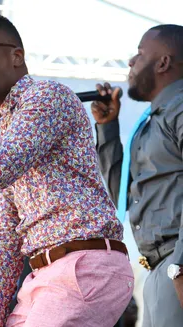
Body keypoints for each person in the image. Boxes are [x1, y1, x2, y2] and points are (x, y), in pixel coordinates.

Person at [0, 13, 134, 327]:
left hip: (83, 267)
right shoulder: (7, 129)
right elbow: (6, 232)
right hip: (43, 278)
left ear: (16, 55)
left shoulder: (46, 98)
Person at [91, 24, 183, 327]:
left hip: (176, 263)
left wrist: (179, 267)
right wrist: (107, 128)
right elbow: (123, 195)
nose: (131, 62)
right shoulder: (150, 122)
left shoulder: (179, 108)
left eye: (140, 53)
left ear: (163, 63)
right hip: (159, 269)